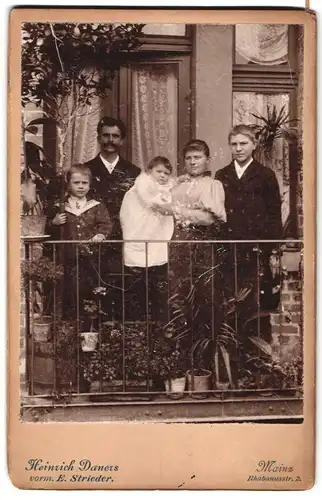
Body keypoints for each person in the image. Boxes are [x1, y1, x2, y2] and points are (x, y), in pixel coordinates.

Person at [46, 164, 112, 319]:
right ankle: (68, 326)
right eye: (76, 183)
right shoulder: (60, 207)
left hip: (90, 257)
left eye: (84, 183)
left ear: (89, 185)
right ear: (69, 184)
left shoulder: (96, 206)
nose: (81, 186)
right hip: (67, 258)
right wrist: (54, 223)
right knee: (68, 290)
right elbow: (47, 230)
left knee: (89, 290)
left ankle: (89, 328)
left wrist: (101, 235)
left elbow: (106, 224)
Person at [120, 156, 175, 323]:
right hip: (137, 241)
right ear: (149, 171)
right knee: (136, 290)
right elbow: (127, 215)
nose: (162, 176)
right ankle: (136, 329)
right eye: (159, 171)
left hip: (157, 244)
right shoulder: (137, 190)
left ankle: (159, 328)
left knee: (158, 289)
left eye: (166, 173)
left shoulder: (167, 192)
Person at [215, 124, 282, 241]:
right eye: (234, 144)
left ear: (254, 145)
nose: (238, 149)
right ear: (229, 147)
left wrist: (274, 248)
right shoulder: (221, 174)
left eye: (243, 143)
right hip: (229, 243)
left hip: (257, 243)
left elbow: (274, 213)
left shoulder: (266, 174)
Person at [84, 116, 140, 240]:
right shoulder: (86, 170)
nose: (110, 140)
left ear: (122, 141)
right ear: (98, 138)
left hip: (124, 236)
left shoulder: (134, 172)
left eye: (115, 136)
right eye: (106, 135)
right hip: (93, 237)